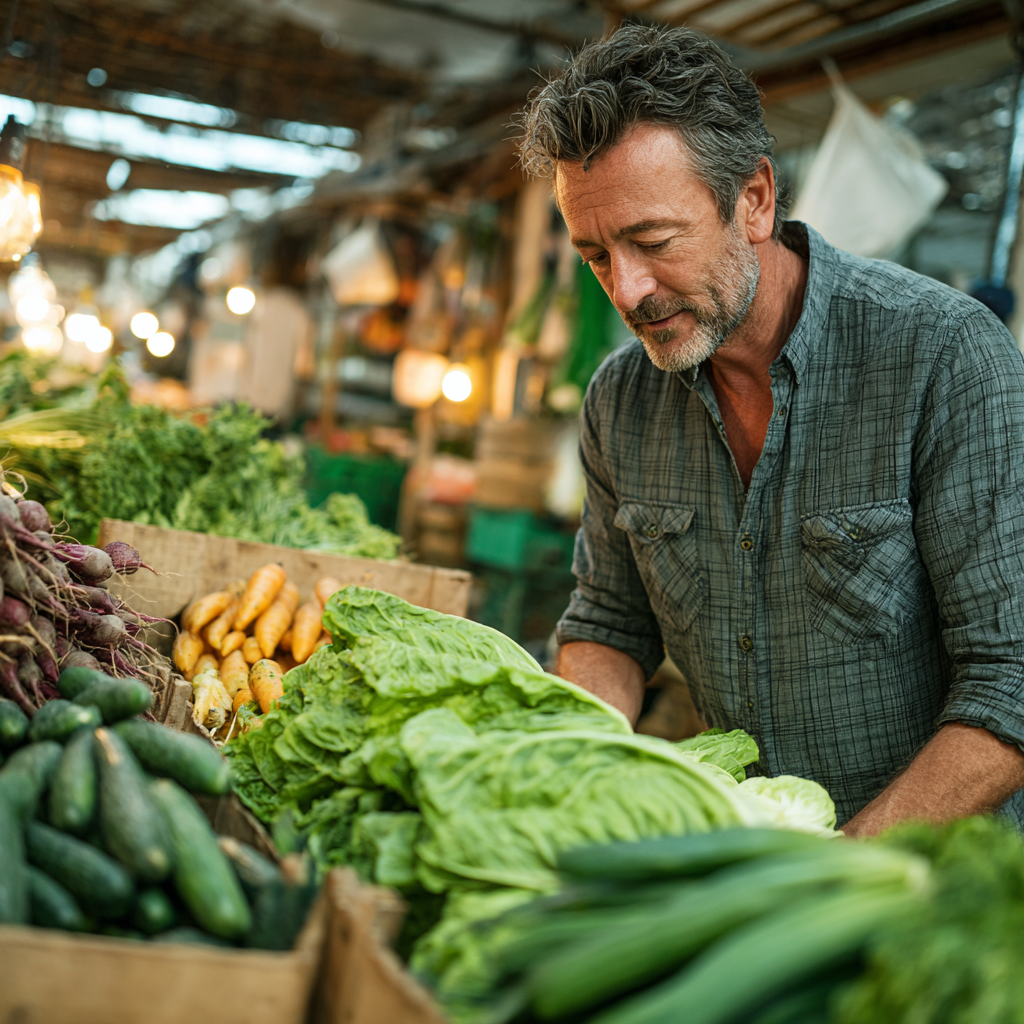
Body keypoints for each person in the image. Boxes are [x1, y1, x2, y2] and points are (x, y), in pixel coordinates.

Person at [518, 24, 1024, 835]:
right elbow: (610, 621)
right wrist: (579, 772)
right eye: (596, 256)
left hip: (939, 888)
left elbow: (1012, 681)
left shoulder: (944, 357)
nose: (629, 289)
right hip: (742, 863)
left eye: (652, 242)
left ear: (754, 198)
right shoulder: (621, 399)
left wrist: (829, 874)